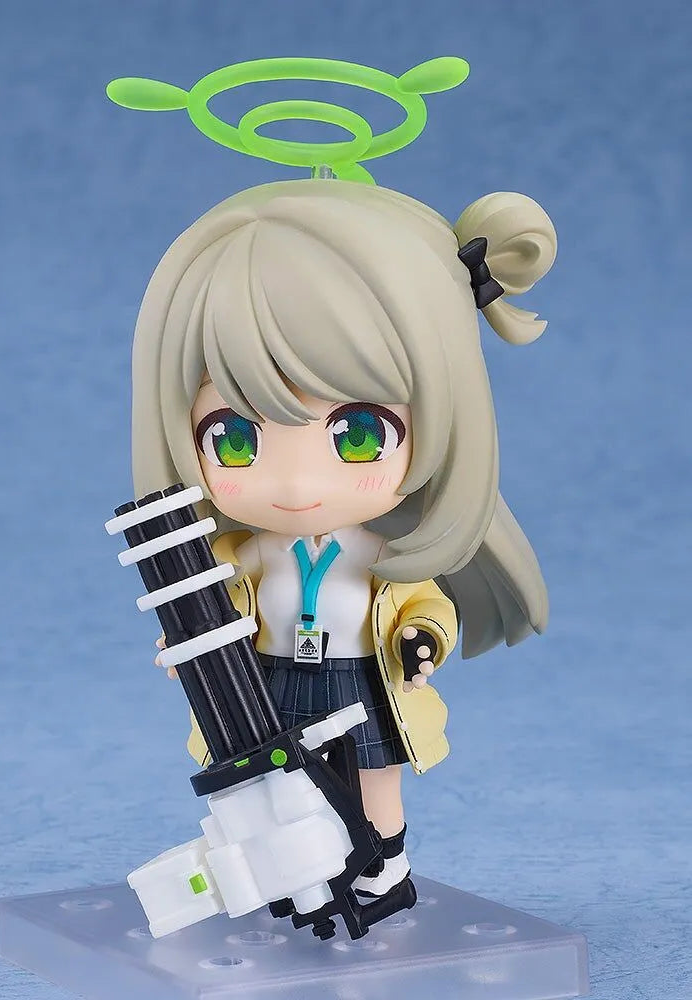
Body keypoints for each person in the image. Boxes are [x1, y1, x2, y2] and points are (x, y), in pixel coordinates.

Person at [131, 179, 557, 896]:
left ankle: (383, 864)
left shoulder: (382, 556)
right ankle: (303, 874)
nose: (297, 484)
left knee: (372, 770)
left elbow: (423, 603)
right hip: (268, 678)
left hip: (360, 670)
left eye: (358, 435)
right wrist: (195, 648)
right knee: (281, 780)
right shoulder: (248, 556)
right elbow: (218, 607)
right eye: (234, 440)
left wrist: (422, 639)